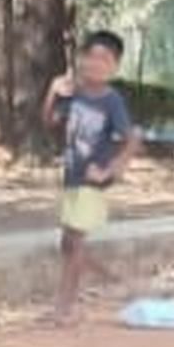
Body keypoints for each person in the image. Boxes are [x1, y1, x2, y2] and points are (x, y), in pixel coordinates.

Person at [47, 30, 136, 317]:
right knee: (67, 244)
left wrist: (111, 170)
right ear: (82, 59)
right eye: (92, 57)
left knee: (74, 244)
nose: (96, 64)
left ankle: (64, 307)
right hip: (72, 177)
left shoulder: (112, 101)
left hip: (91, 184)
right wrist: (52, 92)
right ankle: (114, 280)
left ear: (115, 66)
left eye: (105, 59)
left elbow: (132, 138)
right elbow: (49, 120)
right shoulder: (74, 93)